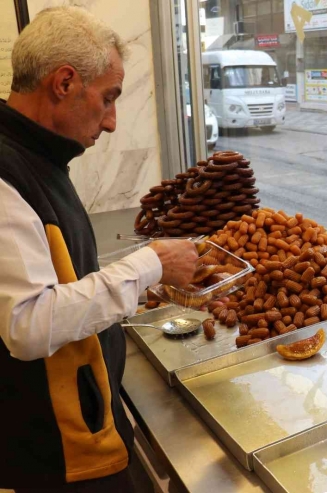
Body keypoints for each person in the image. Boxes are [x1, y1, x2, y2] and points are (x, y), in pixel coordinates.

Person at [0, 7, 198, 491]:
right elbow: (26, 323)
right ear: (64, 82)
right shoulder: (6, 172)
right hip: (55, 454)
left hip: (82, 427)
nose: (111, 123)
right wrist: (152, 265)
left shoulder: (35, 157)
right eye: (108, 99)